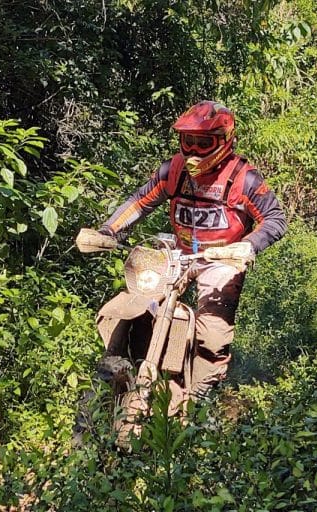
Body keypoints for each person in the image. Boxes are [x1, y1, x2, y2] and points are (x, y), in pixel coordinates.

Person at [97, 100, 287, 401]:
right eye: (189, 141)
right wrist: (107, 231)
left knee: (211, 335)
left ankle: (200, 401)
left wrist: (247, 246)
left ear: (224, 141)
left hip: (221, 258)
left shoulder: (244, 178)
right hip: (178, 252)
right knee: (137, 300)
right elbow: (140, 201)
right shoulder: (173, 170)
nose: (195, 150)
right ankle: (117, 368)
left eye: (204, 143)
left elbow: (275, 219)